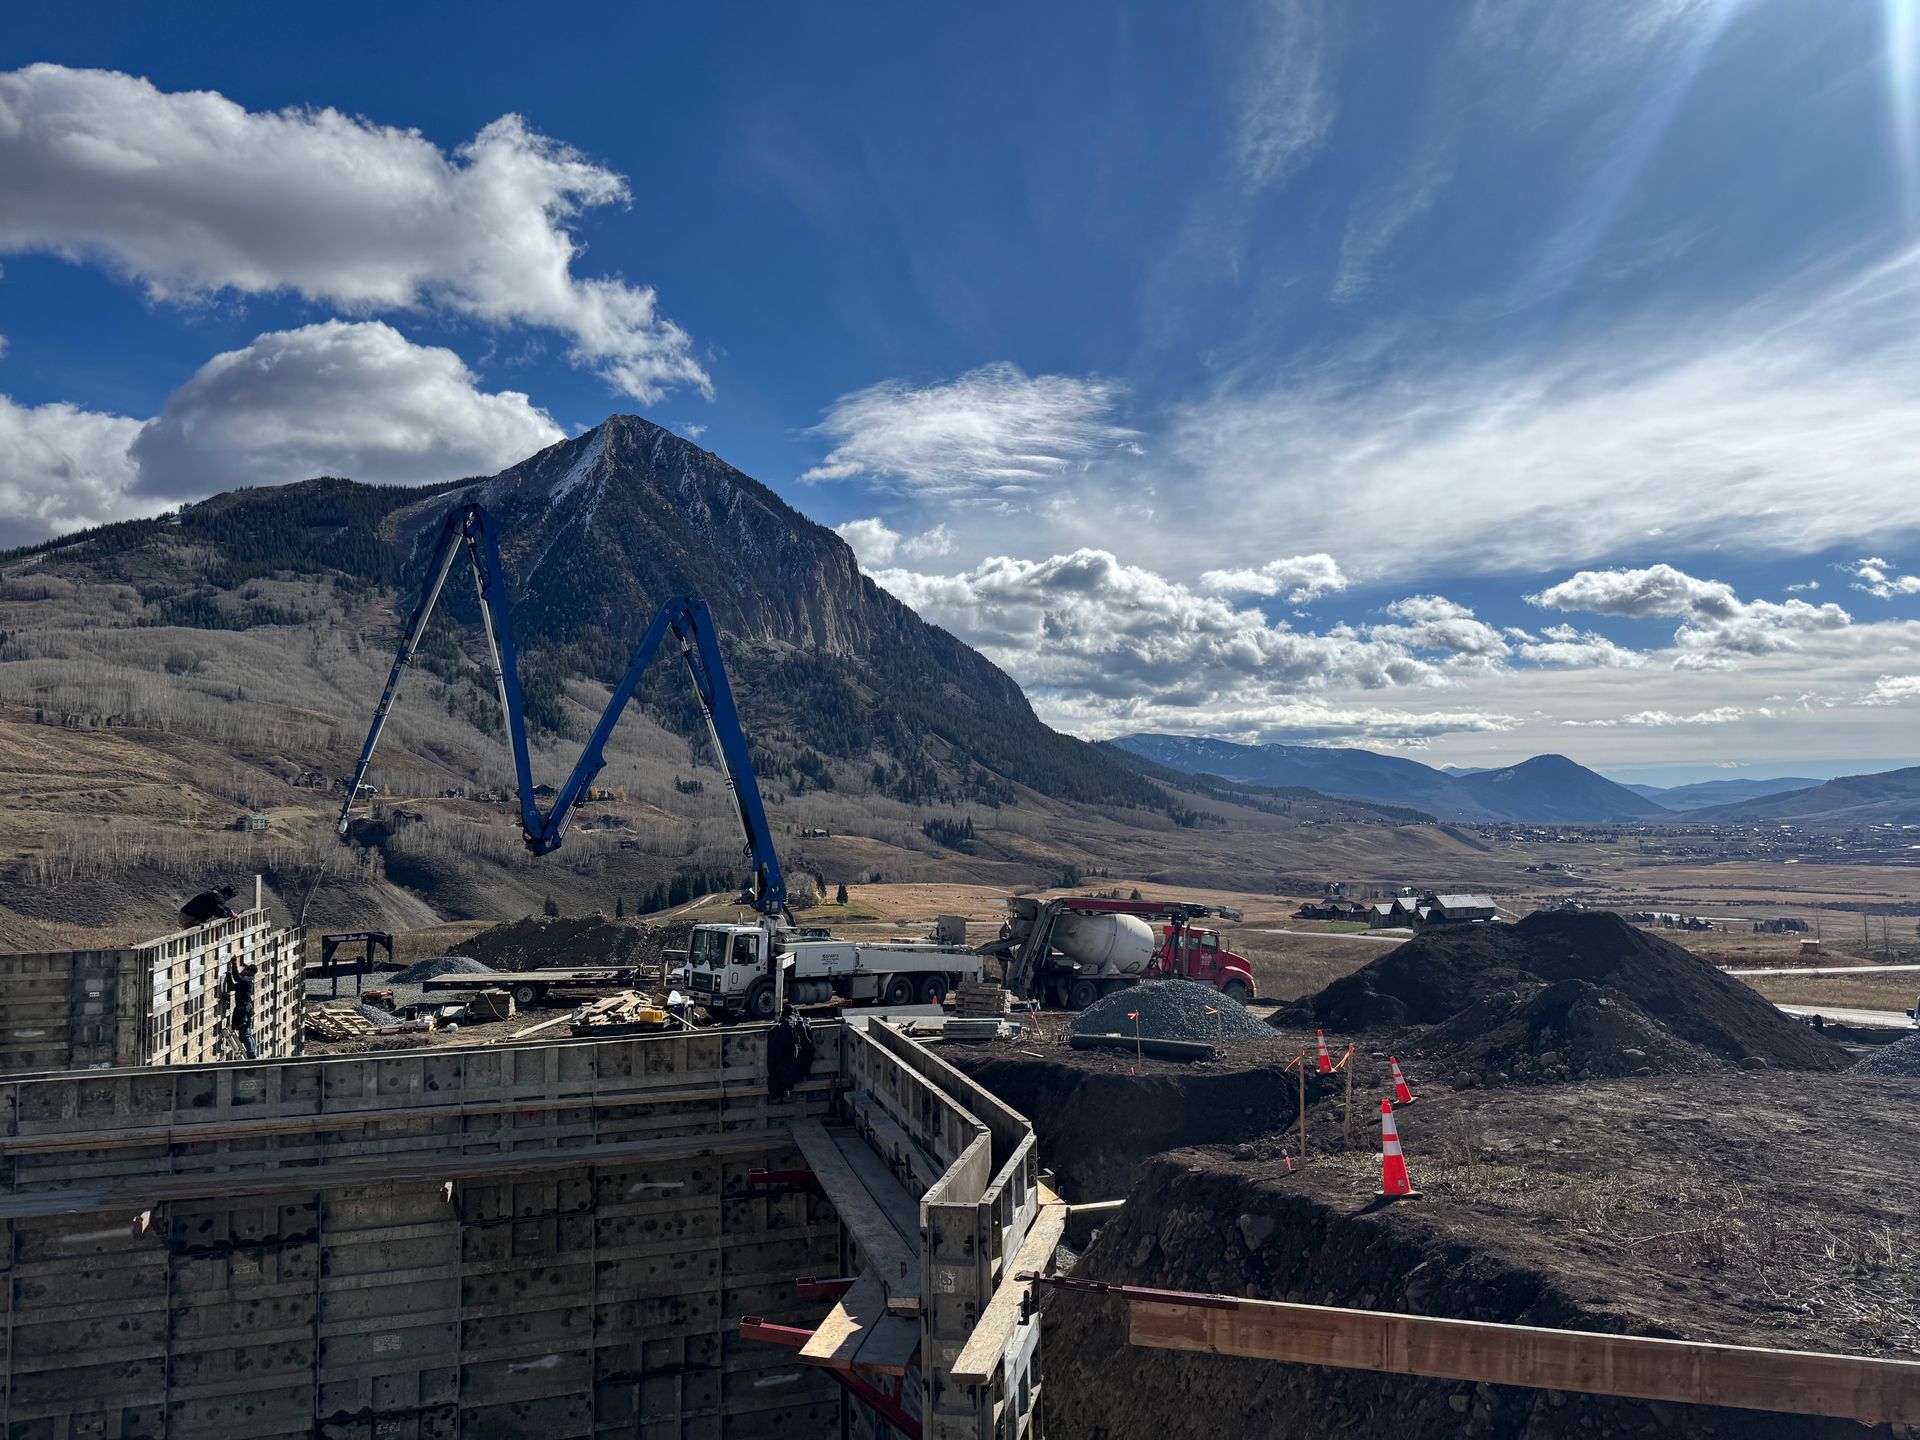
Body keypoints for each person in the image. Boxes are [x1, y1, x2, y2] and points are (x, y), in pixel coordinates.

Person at [767, 1000, 816, 1100]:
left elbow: (772, 1059)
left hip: (782, 1071)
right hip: (795, 1070)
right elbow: (809, 1049)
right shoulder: (800, 1026)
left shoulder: (777, 1031)